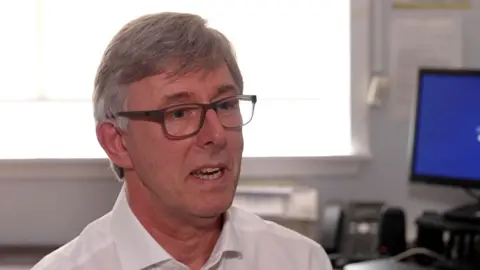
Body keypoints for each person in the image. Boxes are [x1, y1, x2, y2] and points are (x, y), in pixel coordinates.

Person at [32, 12, 332, 270]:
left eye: (226, 105)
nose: (216, 135)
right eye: (179, 113)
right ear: (118, 143)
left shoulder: (300, 260)